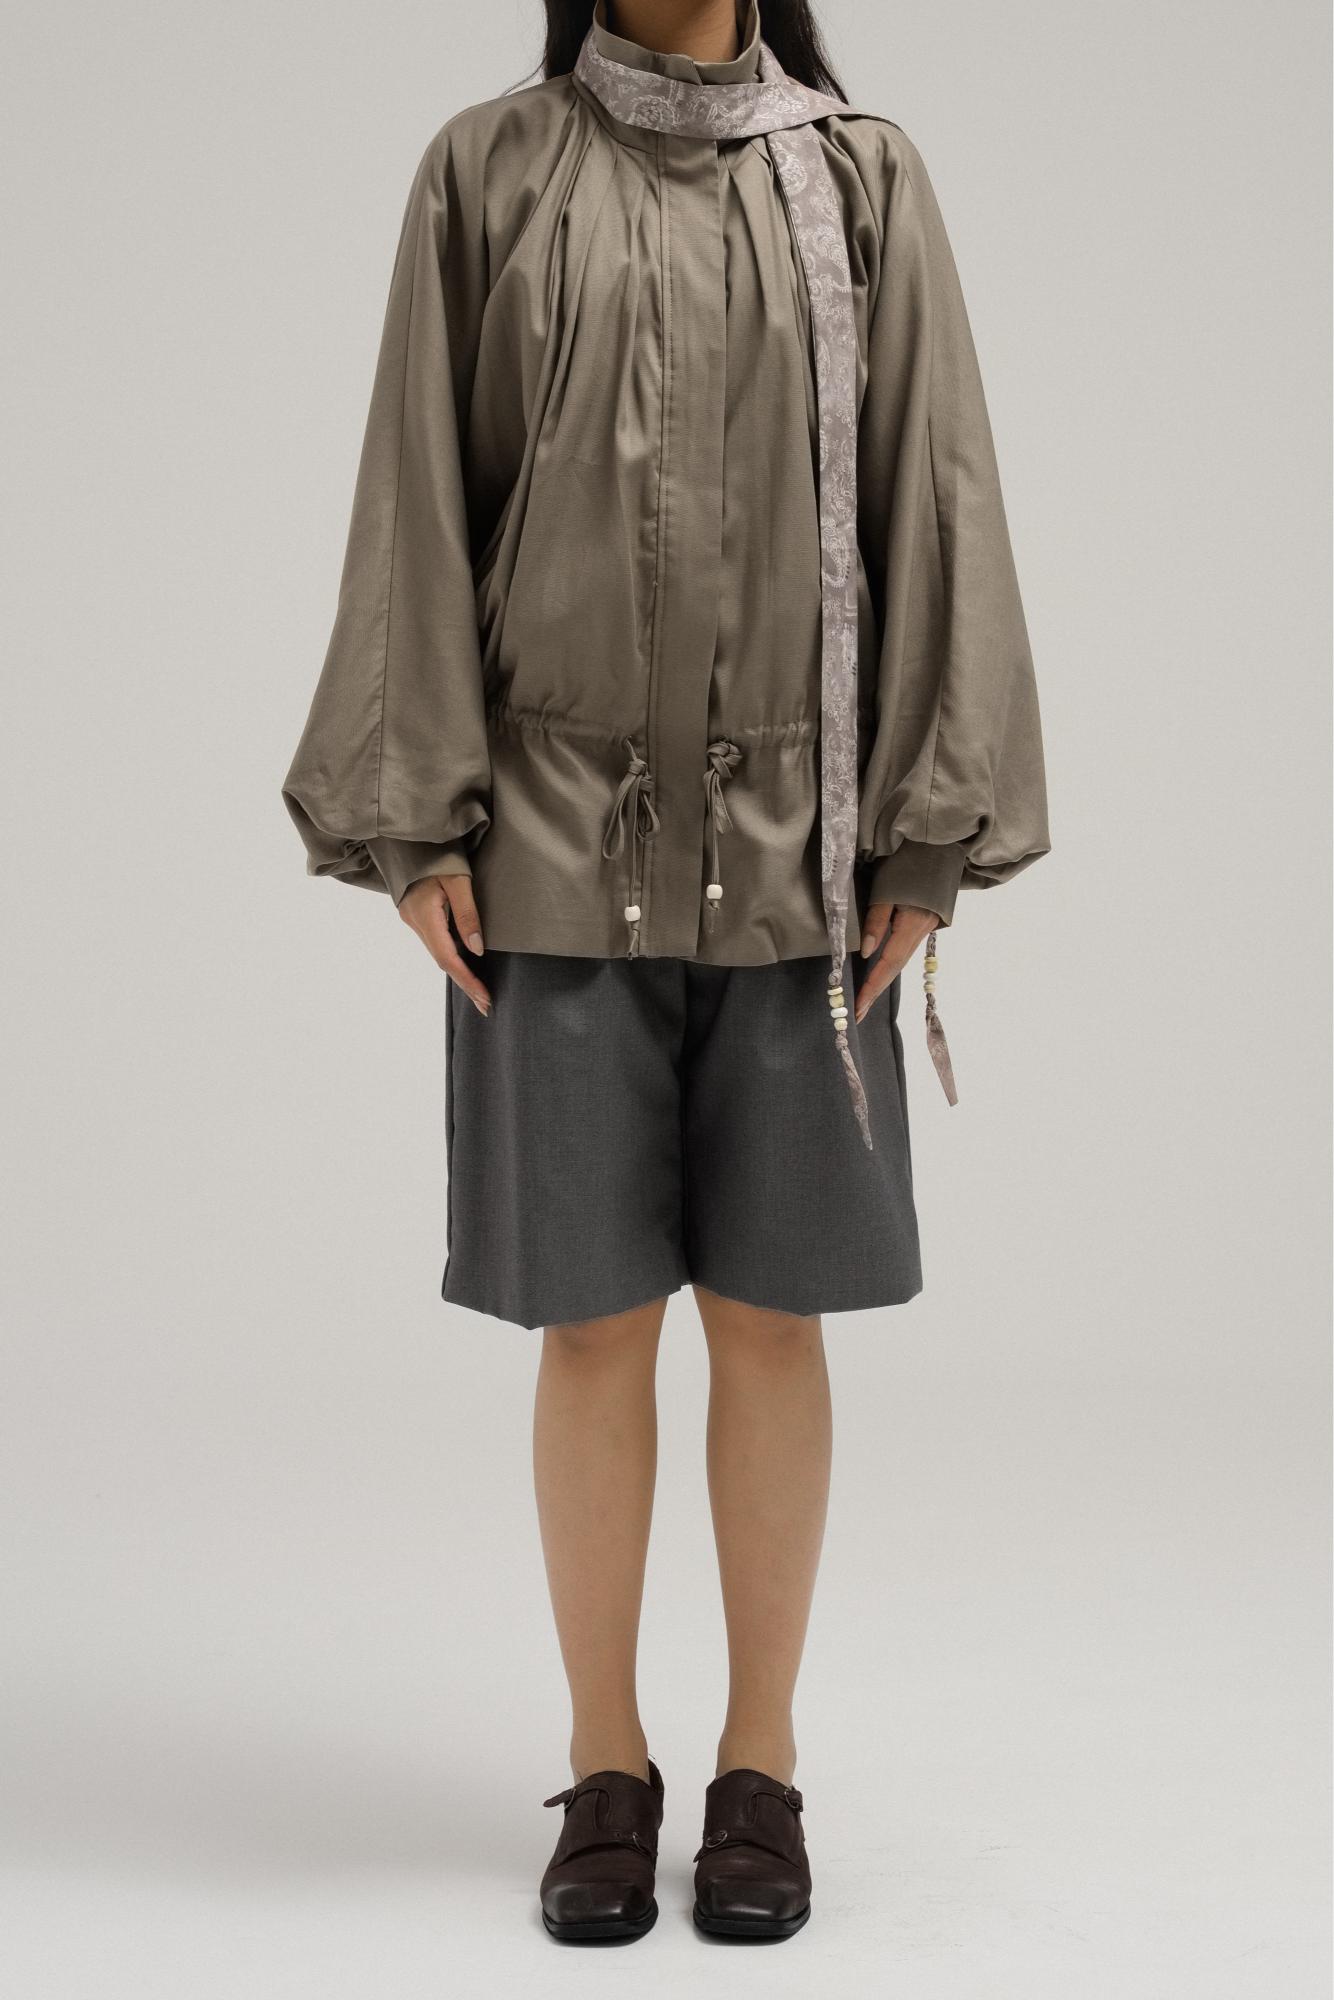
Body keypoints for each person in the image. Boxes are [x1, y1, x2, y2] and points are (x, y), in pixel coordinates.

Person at [281, 0, 1049, 1946]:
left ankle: (758, 1764)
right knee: (595, 1324)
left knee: (772, 1319)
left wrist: (927, 832)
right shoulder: (489, 173)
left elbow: (935, 490)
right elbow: (416, 491)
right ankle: (605, 1762)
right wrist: (415, 816)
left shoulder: (861, 178)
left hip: (806, 868)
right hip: (547, 863)